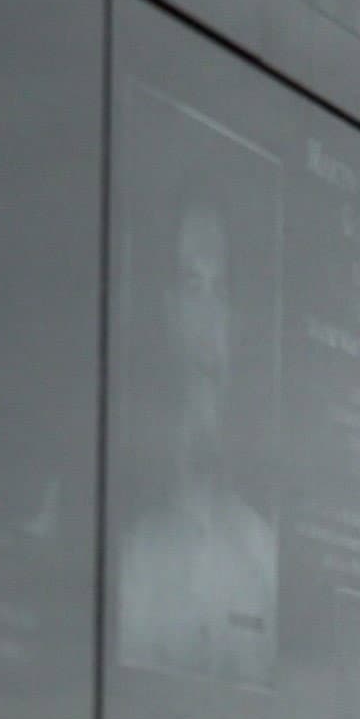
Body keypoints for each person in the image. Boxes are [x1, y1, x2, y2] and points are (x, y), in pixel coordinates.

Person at [114, 201, 279, 685]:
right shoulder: (134, 553)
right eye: (192, 286)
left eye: (219, 289)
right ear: (167, 308)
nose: (207, 312)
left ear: (236, 316)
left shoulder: (263, 551)